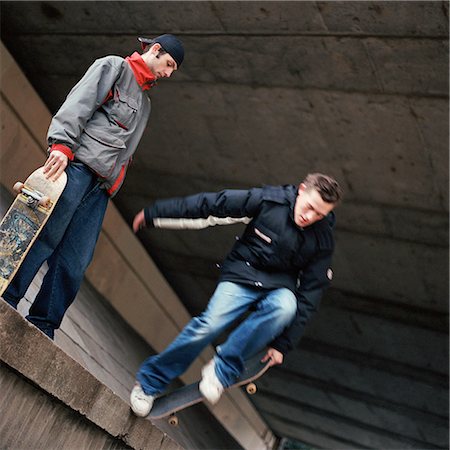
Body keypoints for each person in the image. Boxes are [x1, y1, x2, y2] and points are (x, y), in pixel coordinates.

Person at [1, 34, 185, 340]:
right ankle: (6, 296)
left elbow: (126, 152)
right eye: (168, 64)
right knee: (43, 237)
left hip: (99, 189)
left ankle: (43, 325)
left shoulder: (146, 103)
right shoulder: (113, 67)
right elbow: (79, 103)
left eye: (172, 70)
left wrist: (113, 186)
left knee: (75, 261)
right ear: (155, 50)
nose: (168, 73)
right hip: (75, 169)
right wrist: (61, 145)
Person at [129, 173, 342, 416]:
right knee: (208, 326)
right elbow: (211, 205)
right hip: (242, 275)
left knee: (287, 306)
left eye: (319, 215)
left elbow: (311, 293)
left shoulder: (322, 238)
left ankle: (222, 370)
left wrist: (283, 344)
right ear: (301, 190)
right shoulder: (268, 201)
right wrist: (156, 213)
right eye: (310, 207)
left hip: (277, 288)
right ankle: (148, 384)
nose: (309, 217)